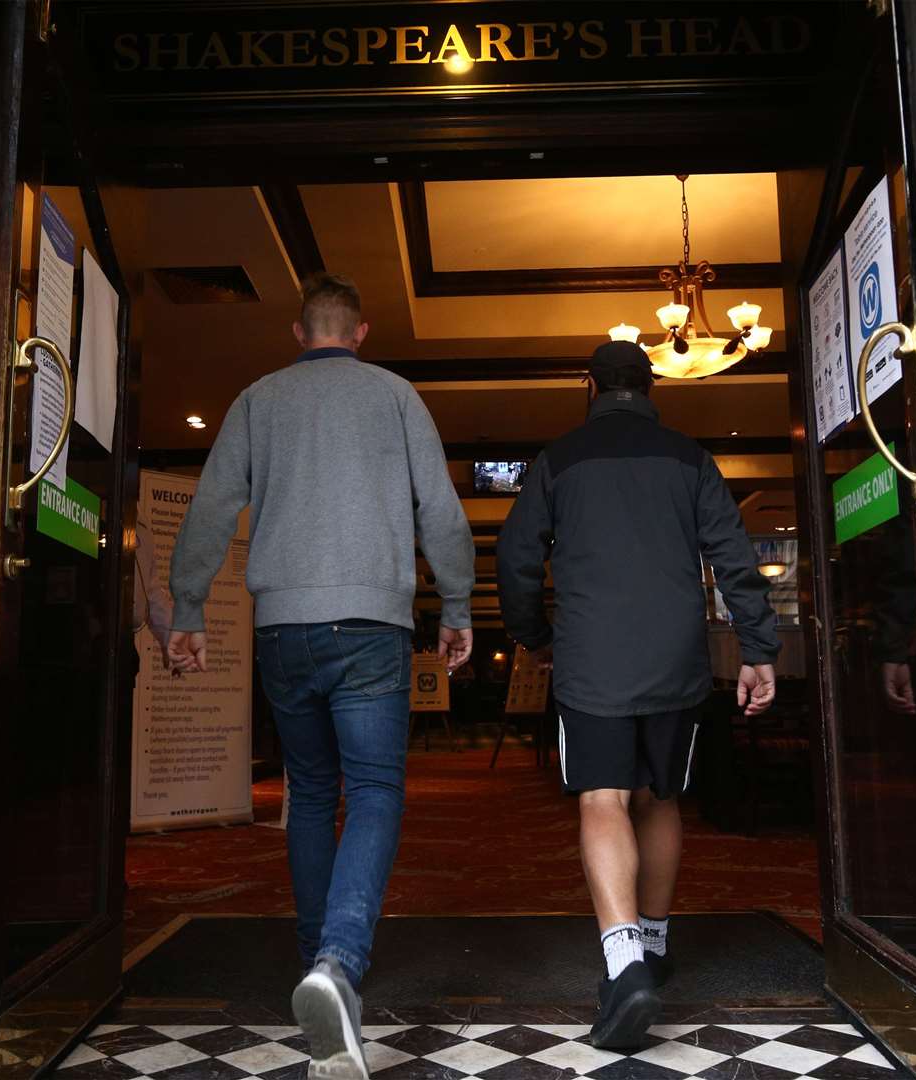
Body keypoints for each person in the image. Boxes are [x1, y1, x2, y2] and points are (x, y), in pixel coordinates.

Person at [165, 272, 475, 1080]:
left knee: (310, 790)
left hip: (281, 627)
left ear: (300, 334)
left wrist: (189, 607)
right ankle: (336, 965)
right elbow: (438, 507)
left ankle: (315, 965)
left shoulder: (258, 399)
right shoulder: (397, 395)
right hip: (371, 624)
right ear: (361, 331)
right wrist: (458, 605)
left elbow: (209, 508)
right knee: (373, 791)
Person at [496, 340, 779, 1049]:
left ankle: (623, 968)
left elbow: (516, 556)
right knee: (660, 798)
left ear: (587, 385)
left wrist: (534, 635)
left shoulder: (557, 459)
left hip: (592, 654)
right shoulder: (690, 458)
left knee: (602, 797)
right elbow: (733, 555)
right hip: (673, 654)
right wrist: (758, 647)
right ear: (651, 387)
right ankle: (652, 946)